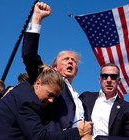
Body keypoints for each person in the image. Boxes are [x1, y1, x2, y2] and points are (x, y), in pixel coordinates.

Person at [0, 64, 93, 140]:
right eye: (50, 94)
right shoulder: (28, 102)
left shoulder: (21, 91)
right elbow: (40, 137)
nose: (51, 100)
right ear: (38, 84)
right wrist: (77, 132)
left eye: (55, 97)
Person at [22, 1, 91, 135]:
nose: (70, 62)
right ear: (55, 66)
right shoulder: (48, 80)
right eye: (66, 59)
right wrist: (37, 18)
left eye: (74, 61)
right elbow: (29, 55)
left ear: (77, 71)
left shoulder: (79, 98)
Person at [79, 63, 129, 139]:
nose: (109, 80)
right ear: (100, 80)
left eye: (113, 77)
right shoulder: (86, 97)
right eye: (105, 76)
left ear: (119, 81)